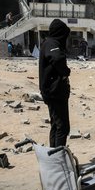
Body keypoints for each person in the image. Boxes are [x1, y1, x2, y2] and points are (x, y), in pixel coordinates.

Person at [39, 19, 72, 147]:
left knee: (56, 125)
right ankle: (58, 160)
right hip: (55, 92)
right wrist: (66, 72)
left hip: (53, 91)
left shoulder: (48, 43)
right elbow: (57, 58)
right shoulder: (52, 43)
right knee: (62, 127)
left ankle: (53, 156)